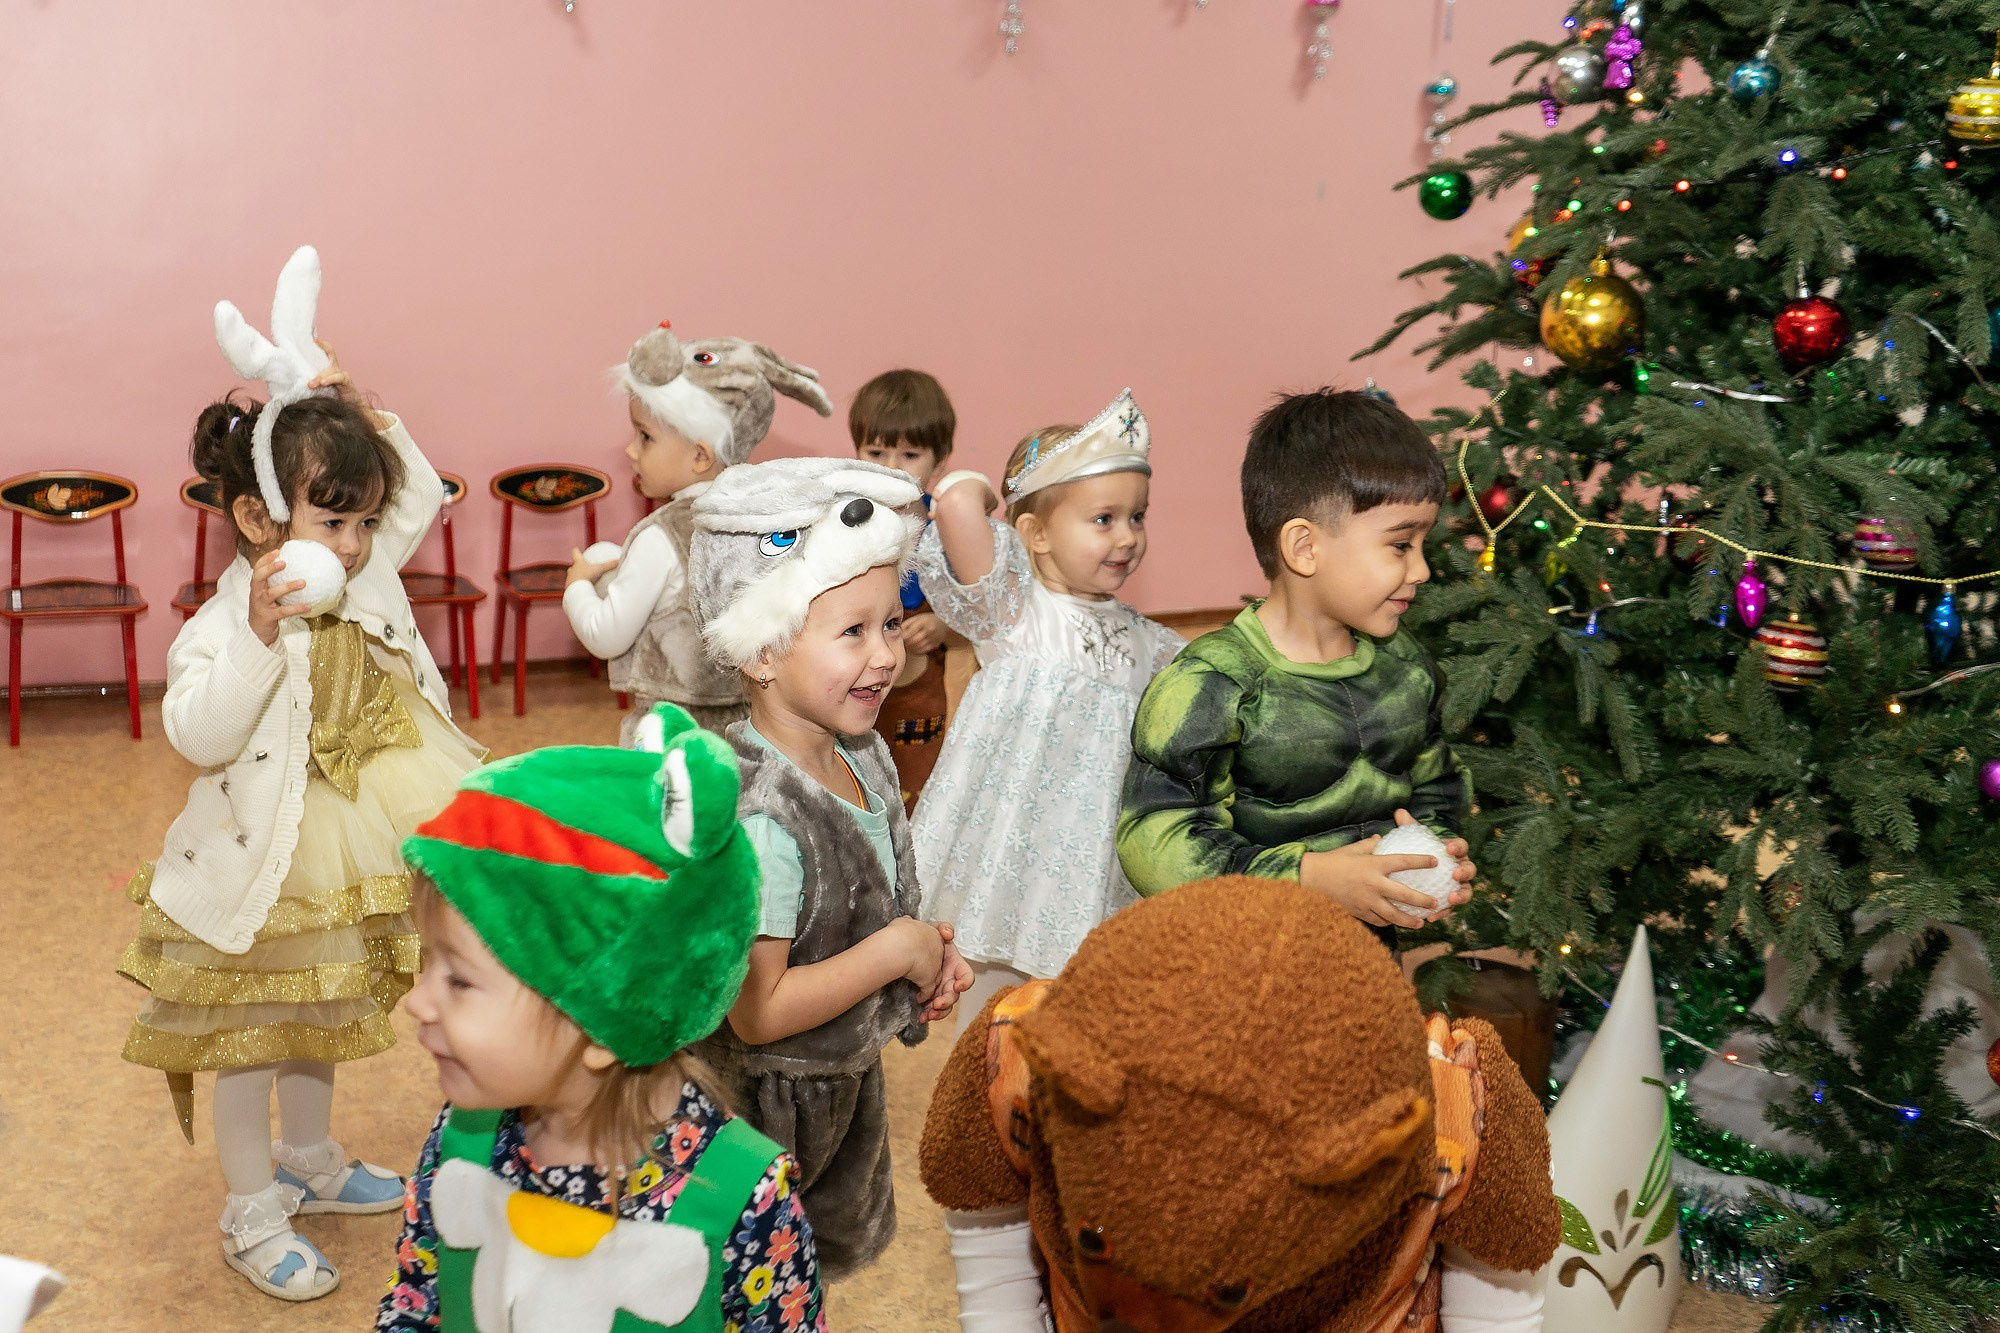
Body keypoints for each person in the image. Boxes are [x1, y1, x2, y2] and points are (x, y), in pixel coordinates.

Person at [117, 247, 483, 1300]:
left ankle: (311, 1161)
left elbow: (411, 494)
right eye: (335, 520)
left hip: (362, 813)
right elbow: (194, 730)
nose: (361, 543)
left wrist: (355, 402)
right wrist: (262, 634)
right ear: (255, 518)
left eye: (365, 520)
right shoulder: (229, 615)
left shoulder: (370, 568)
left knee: (325, 1003)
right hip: (266, 848)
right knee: (255, 1025)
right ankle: (248, 1203)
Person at [381, 704, 824, 1332]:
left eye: (458, 979)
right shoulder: (462, 1139)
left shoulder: (741, 1202)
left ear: (599, 1025)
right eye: (427, 965)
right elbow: (415, 1304)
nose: (418, 1002)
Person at [685, 456, 973, 1278]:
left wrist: (920, 957)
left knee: (808, 1284)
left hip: (842, 1088)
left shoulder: (867, 753)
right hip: (766, 1120)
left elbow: (867, 902)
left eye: (890, 623)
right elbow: (759, 1011)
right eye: (853, 631)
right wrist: (894, 954)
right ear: (764, 651)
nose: (885, 655)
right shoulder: (763, 818)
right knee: (752, 1286)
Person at [1117, 388, 1475, 954]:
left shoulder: (1407, 668)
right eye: (1401, 544)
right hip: (1243, 972)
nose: (1423, 569)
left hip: (1367, 968)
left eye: (1424, 543)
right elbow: (1153, 837)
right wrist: (1307, 878)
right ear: (1304, 548)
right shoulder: (1212, 684)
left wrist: (1437, 846)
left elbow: (1438, 781)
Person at [911, 389, 1184, 1026]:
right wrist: (1011, 482)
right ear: (1032, 534)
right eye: (1103, 519)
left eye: (1136, 517)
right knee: (990, 1019)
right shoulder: (1012, 608)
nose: (1127, 537)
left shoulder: (1150, 642)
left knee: (1078, 1013)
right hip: (1006, 851)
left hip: (1089, 865)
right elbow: (955, 501)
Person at [563, 322, 833, 743]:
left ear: (700, 455)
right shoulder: (765, 519)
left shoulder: (661, 537)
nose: (631, 451)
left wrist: (577, 586)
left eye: (646, 437)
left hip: (674, 735)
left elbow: (606, 635)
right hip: (754, 728)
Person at [848, 368, 959, 810]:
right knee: (855, 772)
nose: (891, 468)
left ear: (941, 460)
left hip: (919, 689)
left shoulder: (949, 529)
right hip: (854, 681)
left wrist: (942, 624)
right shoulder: (844, 522)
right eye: (876, 451)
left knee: (918, 776)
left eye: (910, 454)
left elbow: (981, 616)